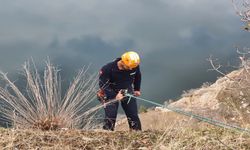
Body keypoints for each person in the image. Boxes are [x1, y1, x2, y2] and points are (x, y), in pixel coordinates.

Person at [97, 51, 142, 131]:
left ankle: (136, 133)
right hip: (109, 92)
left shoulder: (133, 65)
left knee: (133, 115)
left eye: (132, 67)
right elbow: (103, 85)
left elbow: (138, 76)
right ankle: (107, 134)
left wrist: (137, 89)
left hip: (126, 91)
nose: (131, 69)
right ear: (122, 61)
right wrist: (115, 96)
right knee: (111, 116)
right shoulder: (107, 68)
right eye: (128, 67)